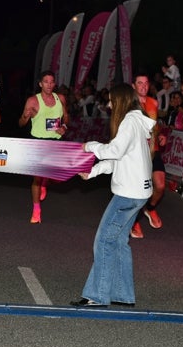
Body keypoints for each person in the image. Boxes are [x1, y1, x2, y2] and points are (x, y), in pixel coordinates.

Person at [70, 83, 155, 307]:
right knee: (118, 242)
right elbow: (120, 159)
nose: (108, 105)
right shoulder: (137, 122)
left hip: (128, 194)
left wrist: (89, 146)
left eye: (111, 100)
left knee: (104, 241)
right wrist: (94, 171)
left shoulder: (129, 122)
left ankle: (97, 296)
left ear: (120, 100)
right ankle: (122, 294)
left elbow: (114, 151)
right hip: (140, 191)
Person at [18, 70, 69, 224]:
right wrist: (26, 116)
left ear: (54, 84)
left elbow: (66, 116)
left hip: (56, 141)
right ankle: (36, 210)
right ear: (40, 84)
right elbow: (21, 123)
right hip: (38, 142)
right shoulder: (33, 101)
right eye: (45, 81)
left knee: (57, 176)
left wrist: (64, 126)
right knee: (36, 179)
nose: (48, 84)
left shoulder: (60, 98)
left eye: (51, 81)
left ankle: (46, 182)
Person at [130, 74, 166, 239]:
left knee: (159, 185)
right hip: (136, 152)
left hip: (153, 149)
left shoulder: (154, 102)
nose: (143, 86)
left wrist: (160, 134)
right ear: (133, 86)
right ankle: (134, 220)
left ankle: (150, 208)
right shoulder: (128, 104)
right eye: (140, 83)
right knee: (138, 190)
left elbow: (155, 123)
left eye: (146, 83)